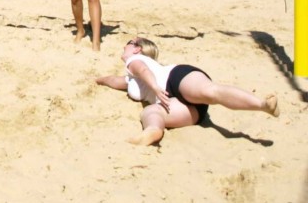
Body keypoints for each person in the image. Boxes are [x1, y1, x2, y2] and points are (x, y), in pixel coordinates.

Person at [96, 37, 280, 146]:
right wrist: (97, 79)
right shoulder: (130, 79)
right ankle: (152, 132)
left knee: (210, 91)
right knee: (150, 111)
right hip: (182, 106)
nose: (124, 47)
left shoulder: (135, 61)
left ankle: (262, 104)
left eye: (128, 43)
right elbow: (114, 80)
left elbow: (144, 70)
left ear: (137, 48)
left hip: (174, 78)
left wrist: (155, 88)